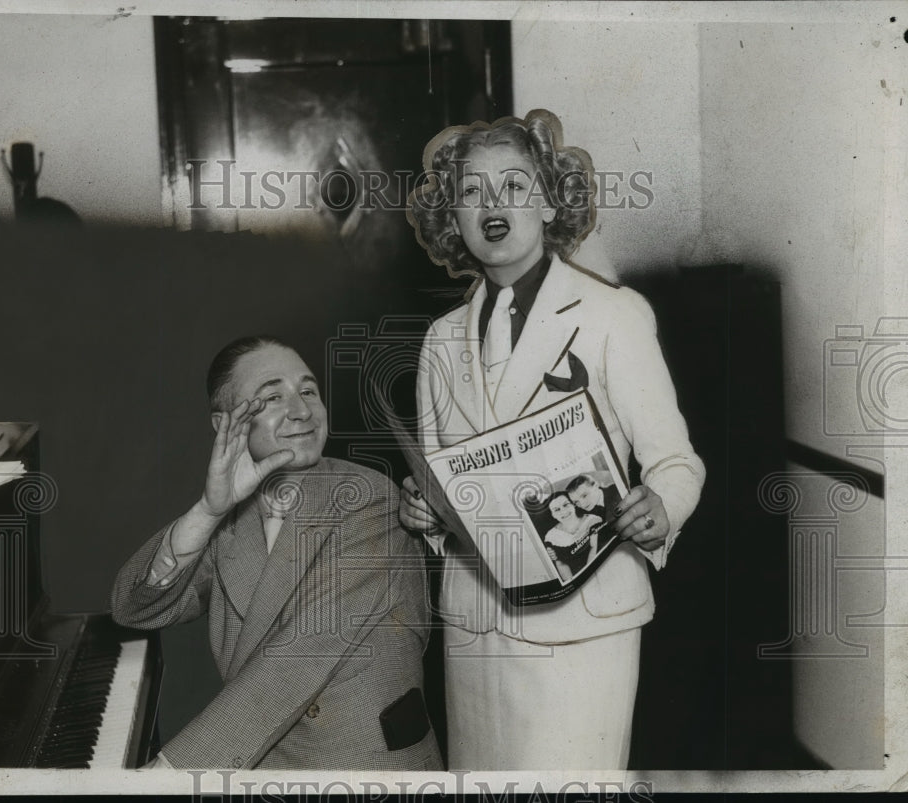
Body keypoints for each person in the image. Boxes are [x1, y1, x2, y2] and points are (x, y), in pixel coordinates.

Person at [398, 109, 705, 769]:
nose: (494, 204)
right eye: (472, 192)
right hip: (475, 622)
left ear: (548, 201)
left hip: (583, 624)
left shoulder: (613, 317)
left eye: (513, 185)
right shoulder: (439, 342)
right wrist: (424, 512)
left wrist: (658, 509)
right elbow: (442, 479)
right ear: (453, 218)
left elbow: (676, 464)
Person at [111, 336, 441, 770]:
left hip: (362, 771)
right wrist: (209, 511)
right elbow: (135, 608)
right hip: (262, 763)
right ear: (224, 424)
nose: (302, 411)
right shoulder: (233, 519)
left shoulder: (370, 500)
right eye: (272, 397)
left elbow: (299, 657)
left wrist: (171, 773)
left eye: (308, 391)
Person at [542, 491, 602, 580]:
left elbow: (595, 548)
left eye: (566, 505)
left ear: (573, 504)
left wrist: (588, 576)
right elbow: (561, 563)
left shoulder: (592, 520)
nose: (563, 511)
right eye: (557, 510)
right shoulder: (551, 536)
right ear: (553, 515)